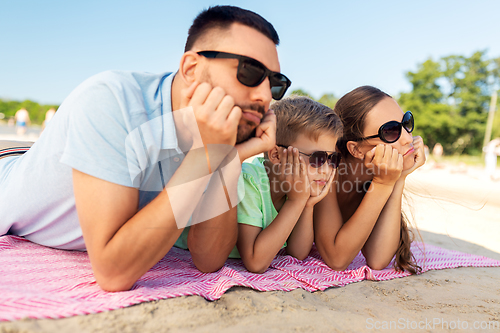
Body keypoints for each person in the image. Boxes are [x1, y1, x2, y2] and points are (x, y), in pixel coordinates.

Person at [0, 6, 291, 291]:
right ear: (191, 68)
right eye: (250, 72)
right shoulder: (113, 101)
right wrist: (204, 156)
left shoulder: (217, 137)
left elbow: (209, 259)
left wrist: (229, 158)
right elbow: (113, 273)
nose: (265, 96)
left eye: (276, 84)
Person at [313, 86, 426, 274]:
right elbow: (337, 259)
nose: (408, 138)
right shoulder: (327, 171)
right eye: (390, 131)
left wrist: (398, 178)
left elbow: (378, 258)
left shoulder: (376, 179)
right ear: (356, 149)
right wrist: (383, 184)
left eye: (406, 122)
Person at [223, 96, 342, 273]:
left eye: (333, 159)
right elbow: (255, 262)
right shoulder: (248, 181)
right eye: (317, 158)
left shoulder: (296, 189)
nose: (326, 170)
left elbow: (297, 254)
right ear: (276, 156)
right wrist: (296, 202)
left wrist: (306, 204)